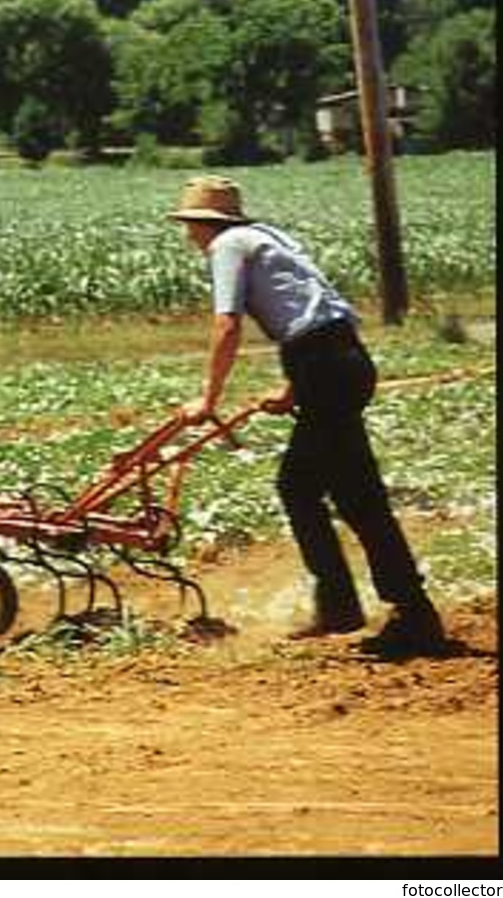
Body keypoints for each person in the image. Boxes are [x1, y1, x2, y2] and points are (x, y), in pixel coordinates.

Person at [167, 175, 448, 658]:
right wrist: (294, 386)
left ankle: (376, 610)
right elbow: (321, 313)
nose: (189, 235)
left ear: (202, 224)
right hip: (340, 361)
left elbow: (226, 324)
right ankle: (388, 608)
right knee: (352, 494)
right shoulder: (270, 238)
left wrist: (207, 399)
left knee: (310, 489)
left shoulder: (229, 246)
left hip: (323, 366)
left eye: (190, 225)